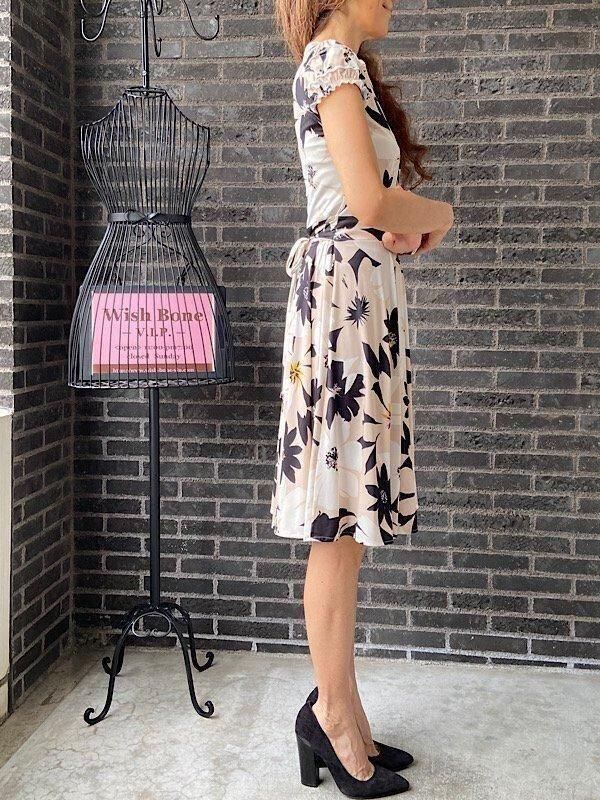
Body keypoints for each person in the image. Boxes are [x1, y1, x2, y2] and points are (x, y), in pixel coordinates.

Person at [271, 1, 454, 796]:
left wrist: (399, 226)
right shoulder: (330, 64)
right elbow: (372, 204)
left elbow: (361, 206)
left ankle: (343, 711)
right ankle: (332, 718)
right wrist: (439, 214)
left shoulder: (345, 70)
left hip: (355, 304)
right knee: (336, 525)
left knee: (344, 525)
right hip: (344, 310)